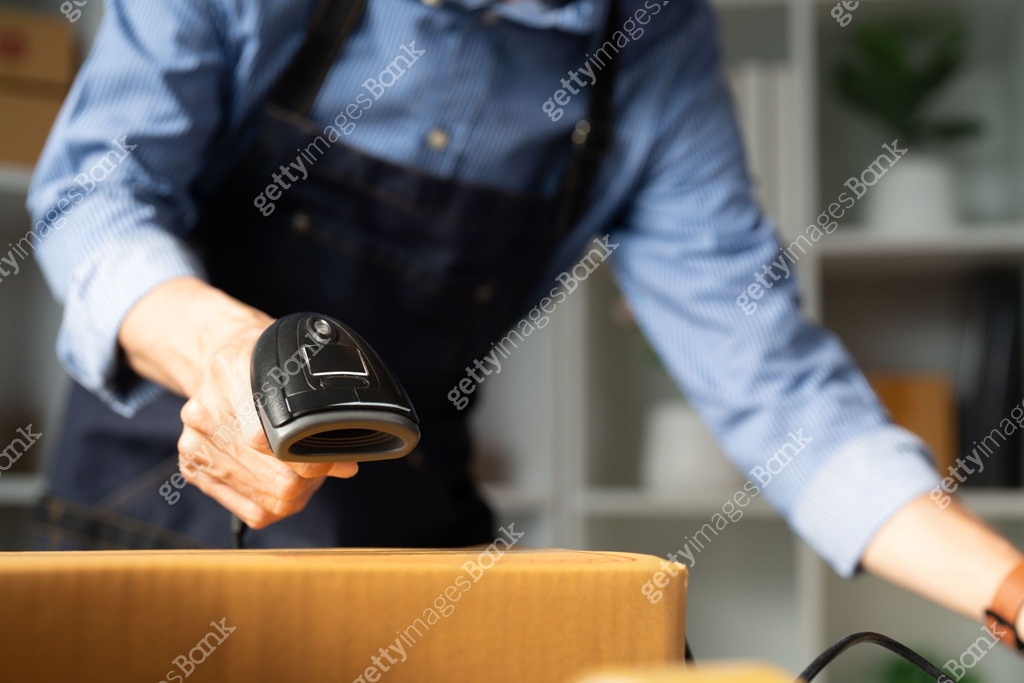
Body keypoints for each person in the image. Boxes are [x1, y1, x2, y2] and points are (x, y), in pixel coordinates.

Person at [26, 0, 1024, 651]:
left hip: (406, 533)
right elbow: (95, 194)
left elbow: (772, 383)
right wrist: (227, 354)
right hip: (149, 495)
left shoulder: (653, 40)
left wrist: (1008, 584)